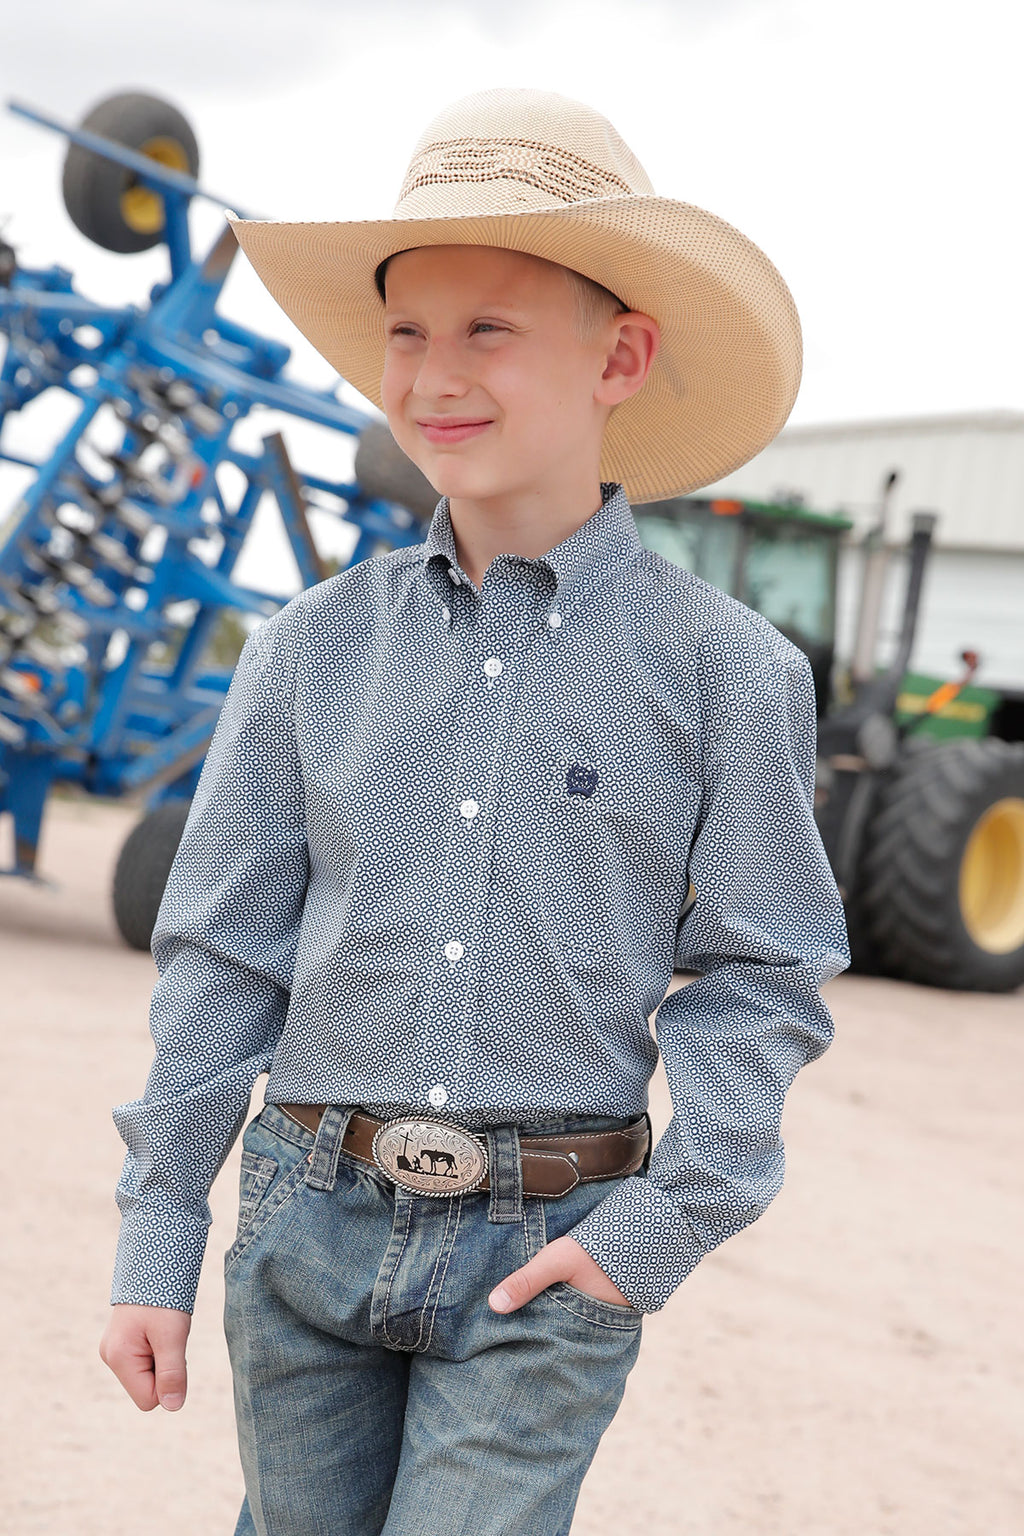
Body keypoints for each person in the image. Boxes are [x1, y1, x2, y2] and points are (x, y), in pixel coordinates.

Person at [99, 87, 851, 1536]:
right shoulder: (306, 651)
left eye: (488, 328)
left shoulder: (728, 677)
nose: (434, 374)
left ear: (621, 352)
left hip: (549, 1247)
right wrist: (158, 1233)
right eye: (408, 331)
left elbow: (766, 977)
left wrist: (654, 1229)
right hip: (304, 1220)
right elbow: (222, 959)